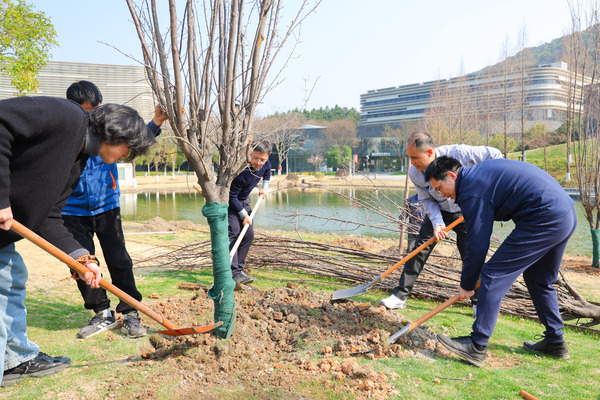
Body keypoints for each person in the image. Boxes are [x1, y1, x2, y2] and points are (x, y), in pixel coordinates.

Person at [0, 96, 155, 386]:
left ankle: (15, 360)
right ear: (117, 136)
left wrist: (83, 259)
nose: (128, 156)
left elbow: (49, 217)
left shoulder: (76, 163)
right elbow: (1, 121)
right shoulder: (67, 117)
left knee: (10, 278)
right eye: (129, 149)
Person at [425, 156, 576, 367]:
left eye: (439, 188)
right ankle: (556, 342)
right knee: (539, 279)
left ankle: (477, 346)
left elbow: (477, 243)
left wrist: (467, 284)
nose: (442, 195)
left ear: (451, 176)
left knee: (492, 275)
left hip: (544, 217)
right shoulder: (477, 177)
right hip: (565, 214)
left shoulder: (471, 189)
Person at [62, 81, 167, 339]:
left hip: (106, 206)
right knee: (80, 264)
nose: (93, 118)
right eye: (87, 112)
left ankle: (130, 311)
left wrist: (156, 122)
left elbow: (134, 140)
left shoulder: (108, 131)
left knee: (119, 259)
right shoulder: (66, 135)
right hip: (72, 210)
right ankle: (101, 312)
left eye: (96, 111)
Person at [381, 133, 503, 311]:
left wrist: (485, 189)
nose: (411, 162)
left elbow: (495, 155)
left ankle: (478, 303)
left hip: (467, 209)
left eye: (414, 157)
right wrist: (437, 223)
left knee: (472, 254)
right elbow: (426, 199)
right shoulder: (415, 172)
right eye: (409, 158)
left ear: (429, 152)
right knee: (419, 249)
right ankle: (400, 296)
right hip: (440, 210)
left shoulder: (459, 153)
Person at [229, 140, 271, 286]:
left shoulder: (265, 162)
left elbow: (267, 172)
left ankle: (239, 270)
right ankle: (233, 273)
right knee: (234, 234)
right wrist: (244, 215)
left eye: (262, 159)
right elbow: (232, 197)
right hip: (230, 204)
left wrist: (264, 187)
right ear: (249, 154)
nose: (258, 162)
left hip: (244, 201)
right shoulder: (242, 172)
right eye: (255, 158)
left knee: (248, 234)